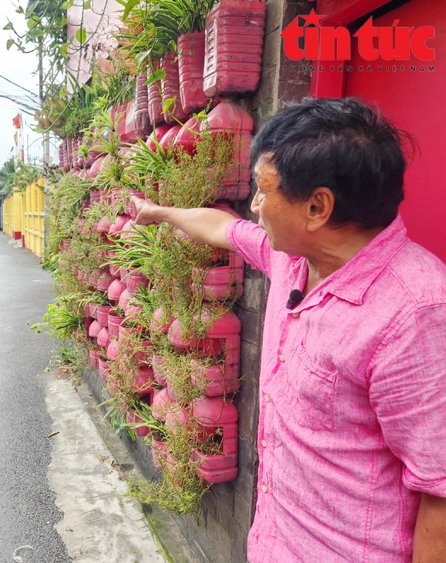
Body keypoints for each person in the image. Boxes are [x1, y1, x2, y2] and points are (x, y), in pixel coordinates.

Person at [132, 98, 446, 561]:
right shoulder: (294, 259)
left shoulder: (415, 311)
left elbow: (440, 492)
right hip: (276, 543)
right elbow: (222, 228)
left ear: (317, 206)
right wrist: (159, 212)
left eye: (263, 190)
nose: (254, 205)